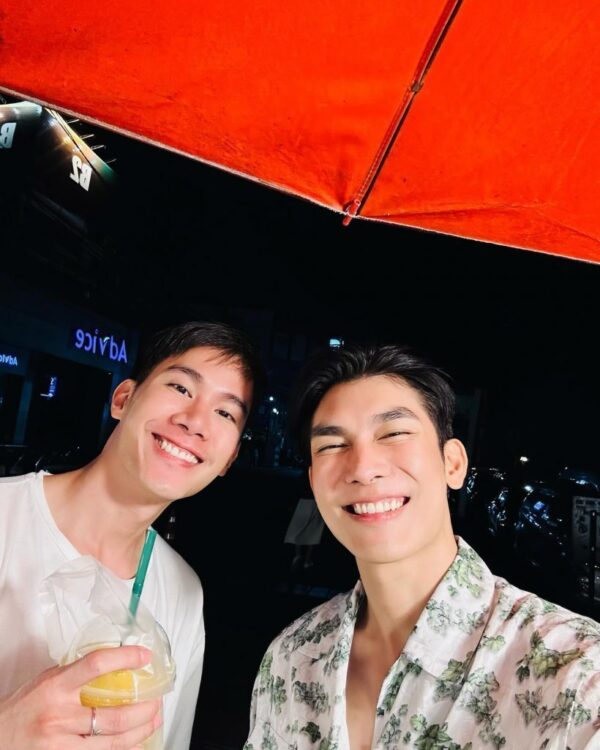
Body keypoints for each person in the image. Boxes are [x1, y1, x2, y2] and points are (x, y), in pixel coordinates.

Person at [245, 343, 600, 750]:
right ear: (313, 481)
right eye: (332, 445)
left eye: (394, 433)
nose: (363, 468)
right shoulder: (292, 658)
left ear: (453, 463)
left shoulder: (577, 674)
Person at [0, 320, 264, 749]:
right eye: (180, 388)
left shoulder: (182, 591)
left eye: (225, 413)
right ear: (123, 398)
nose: (195, 422)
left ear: (229, 458)